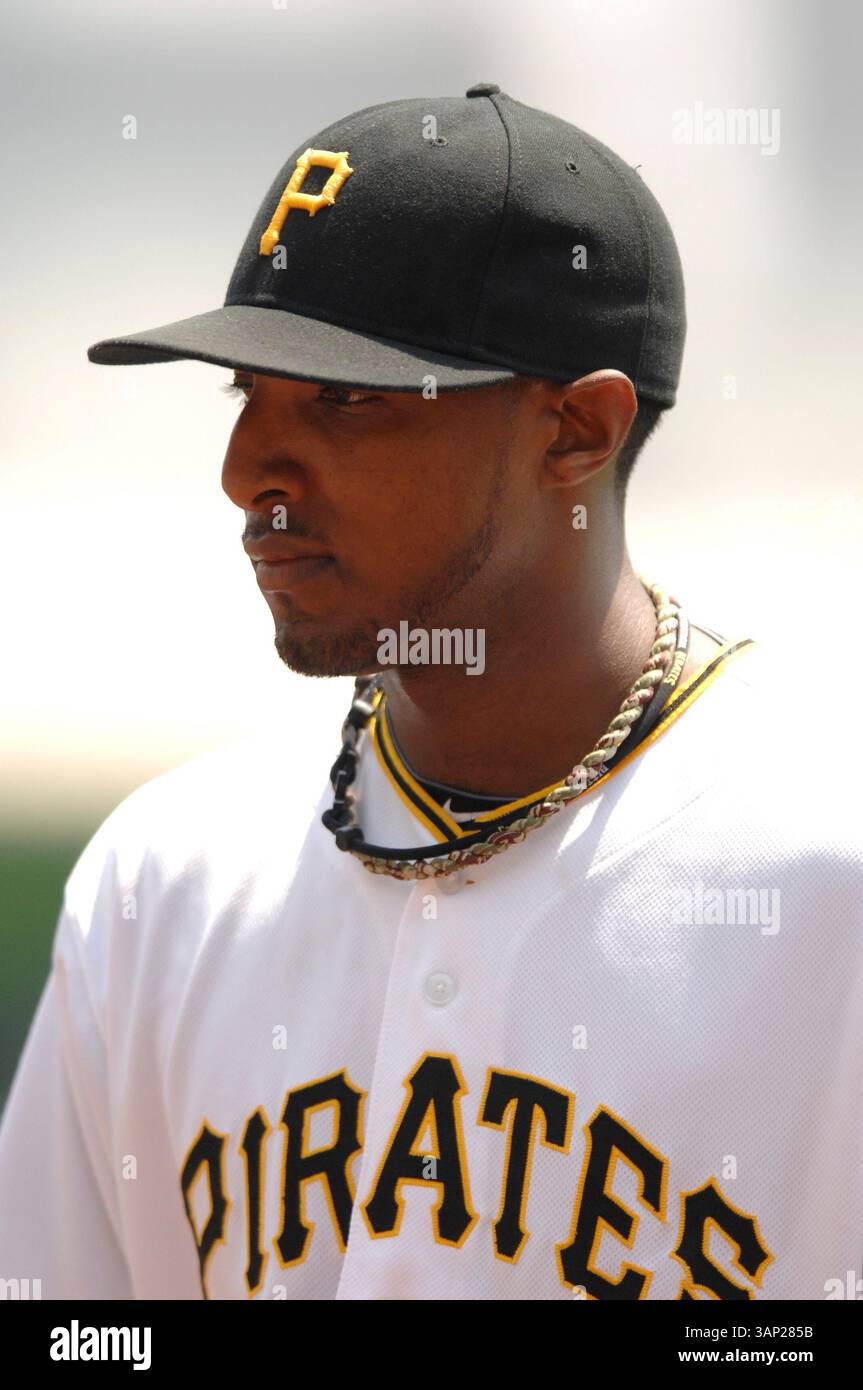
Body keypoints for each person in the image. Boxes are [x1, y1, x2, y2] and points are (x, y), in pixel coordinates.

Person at [0, 84, 859, 1302]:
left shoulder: (826, 885)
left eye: (345, 398)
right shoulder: (164, 880)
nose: (249, 472)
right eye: (247, 391)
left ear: (575, 429)